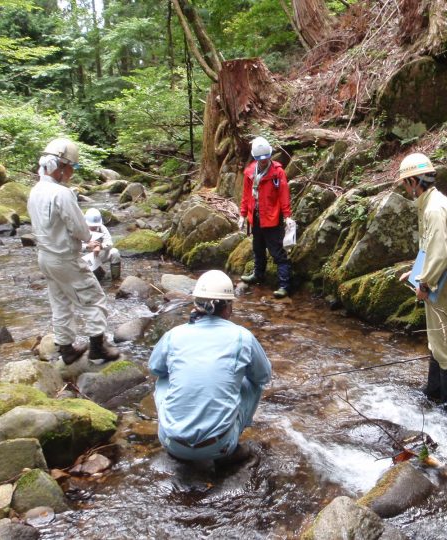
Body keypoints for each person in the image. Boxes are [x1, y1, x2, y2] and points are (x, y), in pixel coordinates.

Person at [149, 270, 272, 465]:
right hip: (220, 447)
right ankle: (232, 439)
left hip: (171, 444)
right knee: (253, 382)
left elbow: (155, 369)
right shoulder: (242, 337)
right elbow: (264, 377)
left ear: (196, 303)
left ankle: (179, 434)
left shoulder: (174, 335)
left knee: (163, 377)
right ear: (227, 307)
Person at [27, 138, 120, 365]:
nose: (72, 172)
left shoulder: (35, 191)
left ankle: (66, 348)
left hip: (45, 257)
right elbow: (79, 228)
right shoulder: (62, 194)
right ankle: (98, 347)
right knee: (93, 298)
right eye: (72, 167)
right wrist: (90, 240)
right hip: (65, 258)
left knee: (60, 302)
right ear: (59, 166)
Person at [398, 153, 447, 410]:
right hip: (442, 282)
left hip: (446, 287)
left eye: (406, 183)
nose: (405, 189)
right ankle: (432, 395)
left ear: (415, 181)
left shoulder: (434, 209)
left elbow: (440, 255)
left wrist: (424, 284)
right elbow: (431, 250)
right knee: (437, 343)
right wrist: (415, 272)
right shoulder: (431, 204)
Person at [239, 136, 294, 299]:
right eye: (260, 159)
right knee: (257, 248)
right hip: (255, 218)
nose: (263, 161)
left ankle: (284, 285)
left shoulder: (277, 173)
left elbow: (284, 195)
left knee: (277, 252)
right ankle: (258, 274)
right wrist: (242, 215)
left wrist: (287, 216)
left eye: (266, 158)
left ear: (270, 155)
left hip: (272, 218)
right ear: (255, 158)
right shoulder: (249, 172)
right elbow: (246, 196)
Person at [83, 208, 121, 280]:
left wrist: (100, 246)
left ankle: (116, 280)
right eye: (91, 225)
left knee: (115, 252)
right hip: (83, 258)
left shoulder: (102, 228)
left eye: (95, 225)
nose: (94, 227)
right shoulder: (80, 229)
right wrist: (87, 246)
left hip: (97, 255)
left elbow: (109, 243)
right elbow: (74, 247)